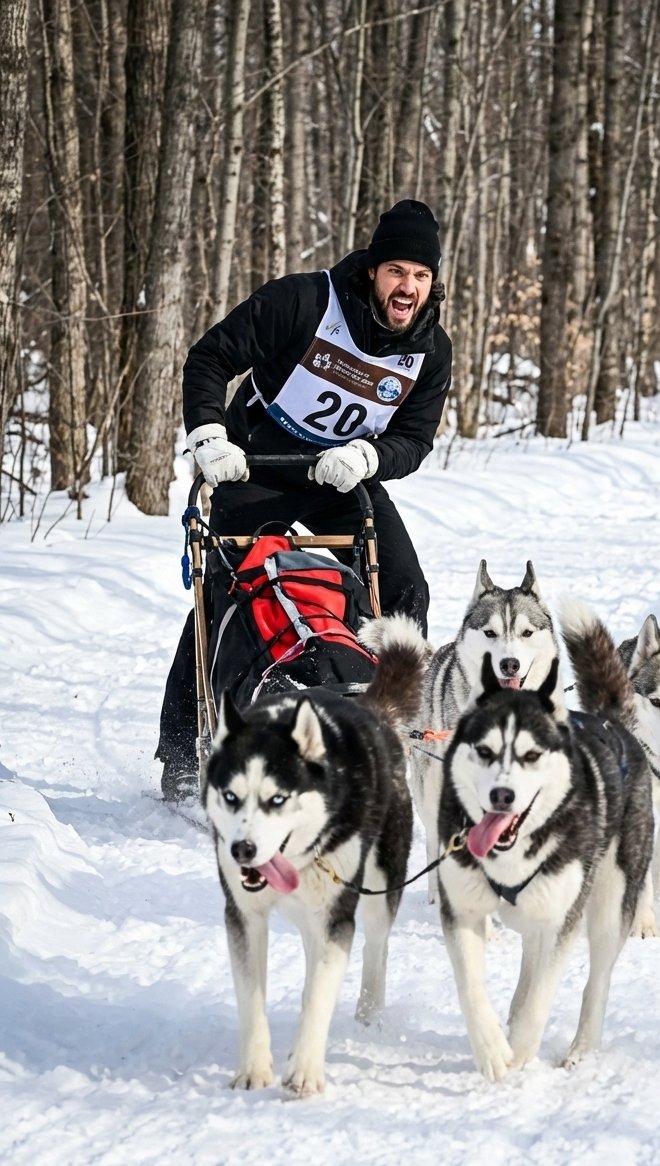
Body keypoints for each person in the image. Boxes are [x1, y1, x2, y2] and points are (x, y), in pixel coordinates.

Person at [157, 199, 452, 800]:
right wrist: (210, 435)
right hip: (258, 462)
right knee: (223, 591)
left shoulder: (431, 349)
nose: (408, 287)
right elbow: (210, 357)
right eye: (397, 271)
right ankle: (182, 748)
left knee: (404, 588)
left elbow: (414, 439)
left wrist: (369, 457)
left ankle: (387, 727)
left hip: (339, 477)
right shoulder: (306, 301)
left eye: (421, 276)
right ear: (372, 270)